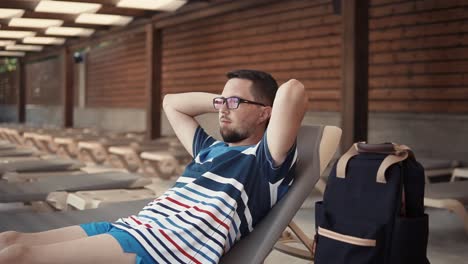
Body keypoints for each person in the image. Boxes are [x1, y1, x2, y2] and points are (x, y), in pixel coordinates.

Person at [0, 69, 307, 264]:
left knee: (19, 256)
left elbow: (293, 89)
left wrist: (247, 103)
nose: (222, 111)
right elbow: (170, 102)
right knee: (10, 239)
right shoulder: (209, 149)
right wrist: (226, 99)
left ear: (266, 113)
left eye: (234, 104)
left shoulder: (266, 160)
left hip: (163, 249)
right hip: (133, 227)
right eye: (219, 104)